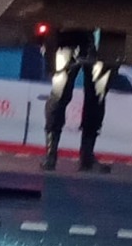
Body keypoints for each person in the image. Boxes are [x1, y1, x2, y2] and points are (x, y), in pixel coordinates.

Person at [41, 30, 113, 173]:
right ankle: (51, 153)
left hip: (100, 37)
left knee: (96, 98)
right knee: (60, 94)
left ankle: (86, 157)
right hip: (70, 35)